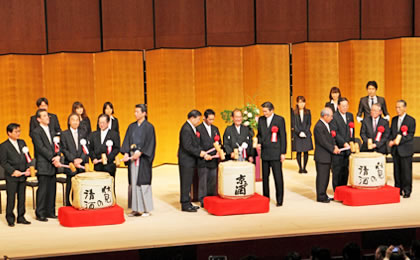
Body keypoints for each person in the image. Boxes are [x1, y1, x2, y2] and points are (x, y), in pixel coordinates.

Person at [121, 104, 156, 217]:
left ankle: (146, 209)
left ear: (144, 113)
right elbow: (126, 141)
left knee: (143, 182)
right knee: (133, 182)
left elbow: (151, 143)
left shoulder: (149, 127)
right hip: (132, 159)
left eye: (137, 112)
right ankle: (135, 209)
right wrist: (126, 153)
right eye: (135, 111)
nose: (135, 114)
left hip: (143, 159)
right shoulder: (131, 127)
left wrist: (140, 152)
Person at [178, 110, 211, 212]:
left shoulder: (191, 128)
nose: (199, 121)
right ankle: (185, 204)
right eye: (198, 119)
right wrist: (199, 152)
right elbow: (187, 146)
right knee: (185, 182)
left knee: (188, 182)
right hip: (186, 161)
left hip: (190, 160)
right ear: (192, 118)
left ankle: (188, 202)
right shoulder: (186, 129)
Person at [31, 109, 61, 221]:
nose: (47, 117)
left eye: (47, 115)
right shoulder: (36, 132)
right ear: (38, 119)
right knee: (43, 189)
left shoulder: (52, 130)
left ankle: (50, 211)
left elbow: (57, 145)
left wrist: (58, 155)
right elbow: (40, 148)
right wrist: (53, 157)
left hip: (53, 163)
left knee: (52, 188)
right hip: (43, 163)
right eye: (44, 116)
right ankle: (40, 213)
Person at [0, 123, 32, 227]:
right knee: (11, 198)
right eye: (16, 131)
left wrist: (28, 167)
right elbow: (3, 162)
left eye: (19, 131)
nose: (18, 133)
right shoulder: (3, 146)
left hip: (23, 174)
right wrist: (13, 171)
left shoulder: (22, 142)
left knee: (22, 197)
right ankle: (10, 218)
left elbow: (28, 157)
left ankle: (21, 217)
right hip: (12, 176)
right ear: (9, 133)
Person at [257, 102, 287, 206]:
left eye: (266, 111)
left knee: (277, 177)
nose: (264, 113)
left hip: (276, 152)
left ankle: (279, 199)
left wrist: (283, 152)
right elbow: (259, 134)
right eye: (263, 111)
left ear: (272, 110)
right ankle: (266, 198)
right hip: (265, 152)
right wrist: (259, 142)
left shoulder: (279, 120)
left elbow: (283, 136)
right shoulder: (261, 120)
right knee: (265, 178)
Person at [389, 100, 416, 198]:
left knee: (406, 171)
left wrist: (398, 141)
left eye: (400, 107)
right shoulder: (394, 119)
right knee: (397, 171)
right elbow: (392, 133)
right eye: (396, 107)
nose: (398, 109)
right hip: (396, 150)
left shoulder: (410, 120)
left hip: (406, 149)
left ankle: (407, 190)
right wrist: (391, 141)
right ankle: (398, 189)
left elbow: (410, 135)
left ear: (405, 108)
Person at [60, 113, 88, 206]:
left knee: (82, 185)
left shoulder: (83, 133)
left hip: (81, 164)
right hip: (70, 164)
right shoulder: (64, 134)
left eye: (77, 120)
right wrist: (73, 159)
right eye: (73, 120)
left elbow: (86, 148)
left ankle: (81, 204)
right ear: (69, 122)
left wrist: (81, 159)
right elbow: (64, 149)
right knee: (70, 185)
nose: (75, 122)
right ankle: (69, 205)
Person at [314, 107, 340, 203]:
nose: (332, 118)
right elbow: (323, 142)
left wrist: (334, 145)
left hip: (327, 156)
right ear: (325, 116)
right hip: (322, 156)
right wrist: (333, 149)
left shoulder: (326, 124)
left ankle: (323, 194)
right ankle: (320, 196)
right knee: (322, 177)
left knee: (326, 177)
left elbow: (329, 139)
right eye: (331, 116)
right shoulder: (319, 126)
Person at [196, 109, 221, 207]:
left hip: (213, 159)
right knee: (203, 180)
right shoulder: (198, 129)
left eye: (213, 119)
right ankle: (202, 199)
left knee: (213, 179)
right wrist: (204, 154)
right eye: (209, 119)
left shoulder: (215, 129)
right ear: (204, 118)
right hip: (203, 158)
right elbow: (196, 144)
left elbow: (219, 142)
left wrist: (218, 152)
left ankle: (212, 198)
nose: (211, 121)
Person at [330, 97, 354, 191]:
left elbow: (352, 130)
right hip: (339, 148)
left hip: (348, 148)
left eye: (346, 105)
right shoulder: (334, 117)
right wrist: (344, 143)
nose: (345, 108)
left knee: (345, 170)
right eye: (343, 106)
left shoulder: (350, 115)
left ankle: (343, 190)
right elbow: (335, 133)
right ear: (338, 106)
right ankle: (336, 191)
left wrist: (351, 142)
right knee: (337, 170)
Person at [89, 114, 120, 181]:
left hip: (109, 165)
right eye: (100, 122)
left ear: (108, 123)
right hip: (98, 165)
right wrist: (93, 158)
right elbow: (90, 149)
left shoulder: (114, 134)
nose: (101, 124)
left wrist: (107, 158)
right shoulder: (93, 134)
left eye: (103, 122)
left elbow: (117, 148)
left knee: (108, 187)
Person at [293, 96, 313, 173]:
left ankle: (304, 167)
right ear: (297, 103)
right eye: (300, 102)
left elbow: (309, 123)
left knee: (305, 151)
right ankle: (300, 168)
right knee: (298, 151)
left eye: (303, 102)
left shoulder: (308, 112)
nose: (301, 104)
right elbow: (293, 124)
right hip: (297, 134)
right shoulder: (294, 112)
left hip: (306, 134)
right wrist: (299, 132)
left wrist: (305, 131)